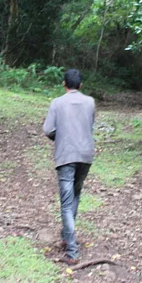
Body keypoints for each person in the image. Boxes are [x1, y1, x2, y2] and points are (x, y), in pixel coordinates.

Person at [43, 68, 95, 264]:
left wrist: (60, 136)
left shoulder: (57, 103)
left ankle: (72, 250)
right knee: (75, 194)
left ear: (64, 84)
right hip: (85, 154)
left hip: (66, 155)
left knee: (66, 202)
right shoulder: (90, 102)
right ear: (81, 85)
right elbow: (89, 126)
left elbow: (48, 129)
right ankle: (66, 236)